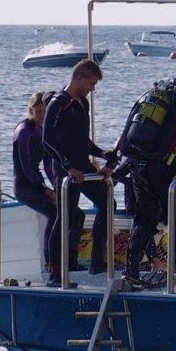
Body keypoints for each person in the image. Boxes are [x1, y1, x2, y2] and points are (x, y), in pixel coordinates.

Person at [116, 76, 176, 291]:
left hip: (139, 169)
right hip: (166, 175)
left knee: (145, 219)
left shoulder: (156, 105)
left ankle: (131, 272)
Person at [42, 59, 115, 283]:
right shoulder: (58, 103)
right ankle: (55, 272)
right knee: (65, 217)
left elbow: (83, 140)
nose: (93, 88)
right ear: (80, 78)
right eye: (92, 83)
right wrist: (68, 167)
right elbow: (48, 140)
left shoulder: (82, 102)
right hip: (65, 170)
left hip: (83, 166)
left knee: (107, 203)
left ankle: (96, 261)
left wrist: (103, 154)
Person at [12, 90, 56, 271]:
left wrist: (58, 188)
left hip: (36, 183)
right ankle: (49, 262)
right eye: (38, 112)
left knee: (65, 210)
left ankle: (65, 259)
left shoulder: (45, 131)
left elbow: (48, 167)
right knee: (54, 214)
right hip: (24, 186)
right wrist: (45, 190)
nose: (42, 116)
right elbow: (27, 168)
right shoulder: (24, 131)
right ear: (31, 111)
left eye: (45, 112)